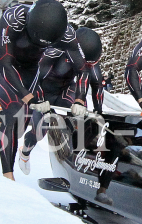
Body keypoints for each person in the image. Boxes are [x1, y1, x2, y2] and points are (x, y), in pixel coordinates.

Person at [0, 0, 73, 180]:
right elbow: (5, 62)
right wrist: (27, 97)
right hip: (4, 63)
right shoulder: (13, 18)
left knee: (22, 125)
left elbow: (83, 69)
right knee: (13, 113)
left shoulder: (67, 35)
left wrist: (80, 99)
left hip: (30, 68)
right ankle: (8, 177)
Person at [13, 25, 104, 175]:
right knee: (40, 129)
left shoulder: (88, 58)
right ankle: (25, 152)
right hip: (41, 91)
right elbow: (33, 80)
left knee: (81, 116)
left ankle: (81, 154)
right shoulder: (53, 52)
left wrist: (96, 111)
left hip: (64, 90)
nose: (87, 66)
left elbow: (96, 84)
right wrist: (39, 101)